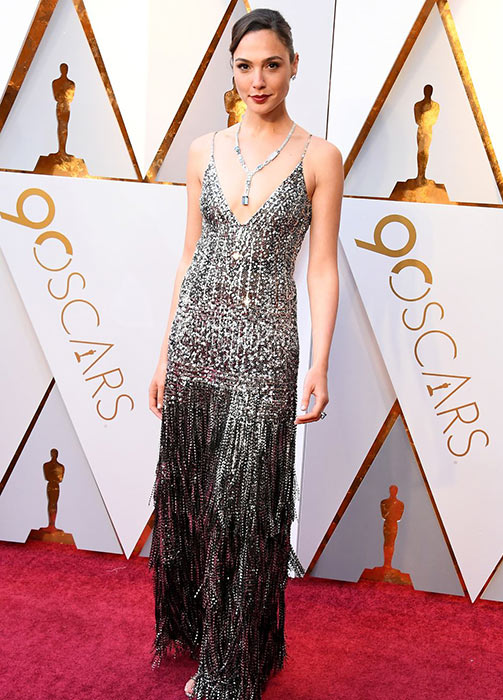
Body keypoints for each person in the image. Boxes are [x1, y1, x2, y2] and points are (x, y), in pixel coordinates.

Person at [148, 8, 343, 699]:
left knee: (245, 505)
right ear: (230, 71)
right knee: (196, 497)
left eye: (271, 65)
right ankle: (202, 629)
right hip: (197, 340)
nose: (257, 79)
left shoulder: (319, 157)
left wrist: (319, 362)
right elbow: (189, 254)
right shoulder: (202, 149)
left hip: (266, 348)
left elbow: (322, 268)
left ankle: (234, 663)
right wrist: (165, 354)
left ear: (293, 68)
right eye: (244, 66)